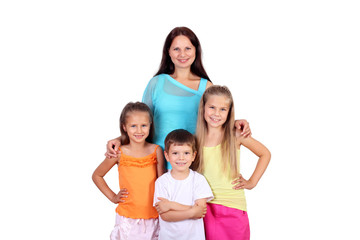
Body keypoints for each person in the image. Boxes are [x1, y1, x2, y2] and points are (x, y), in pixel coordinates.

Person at [105, 26, 251, 169]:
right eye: (176, 49)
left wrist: (235, 122)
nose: (182, 54)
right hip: (156, 161)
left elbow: (215, 117)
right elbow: (140, 121)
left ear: (196, 50)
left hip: (190, 162)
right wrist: (119, 139)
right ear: (168, 51)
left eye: (187, 48)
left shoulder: (205, 87)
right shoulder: (156, 83)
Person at [194, 85, 271, 240]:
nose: (216, 113)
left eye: (223, 109)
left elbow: (265, 154)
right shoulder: (195, 139)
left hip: (233, 206)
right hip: (204, 208)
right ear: (203, 108)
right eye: (212, 107)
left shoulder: (235, 134)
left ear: (229, 112)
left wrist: (252, 182)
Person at [92, 102, 165, 240]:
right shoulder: (119, 153)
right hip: (127, 219)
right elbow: (97, 175)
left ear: (150, 125)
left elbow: (163, 182)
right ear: (124, 127)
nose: (139, 131)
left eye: (144, 125)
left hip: (154, 217)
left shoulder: (156, 151)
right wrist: (113, 197)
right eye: (133, 126)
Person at [153, 129, 213, 240]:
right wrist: (192, 211)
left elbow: (200, 212)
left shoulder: (199, 180)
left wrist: (171, 205)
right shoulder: (161, 182)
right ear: (167, 156)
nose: (181, 158)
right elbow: (166, 216)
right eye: (175, 153)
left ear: (193, 156)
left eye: (186, 153)